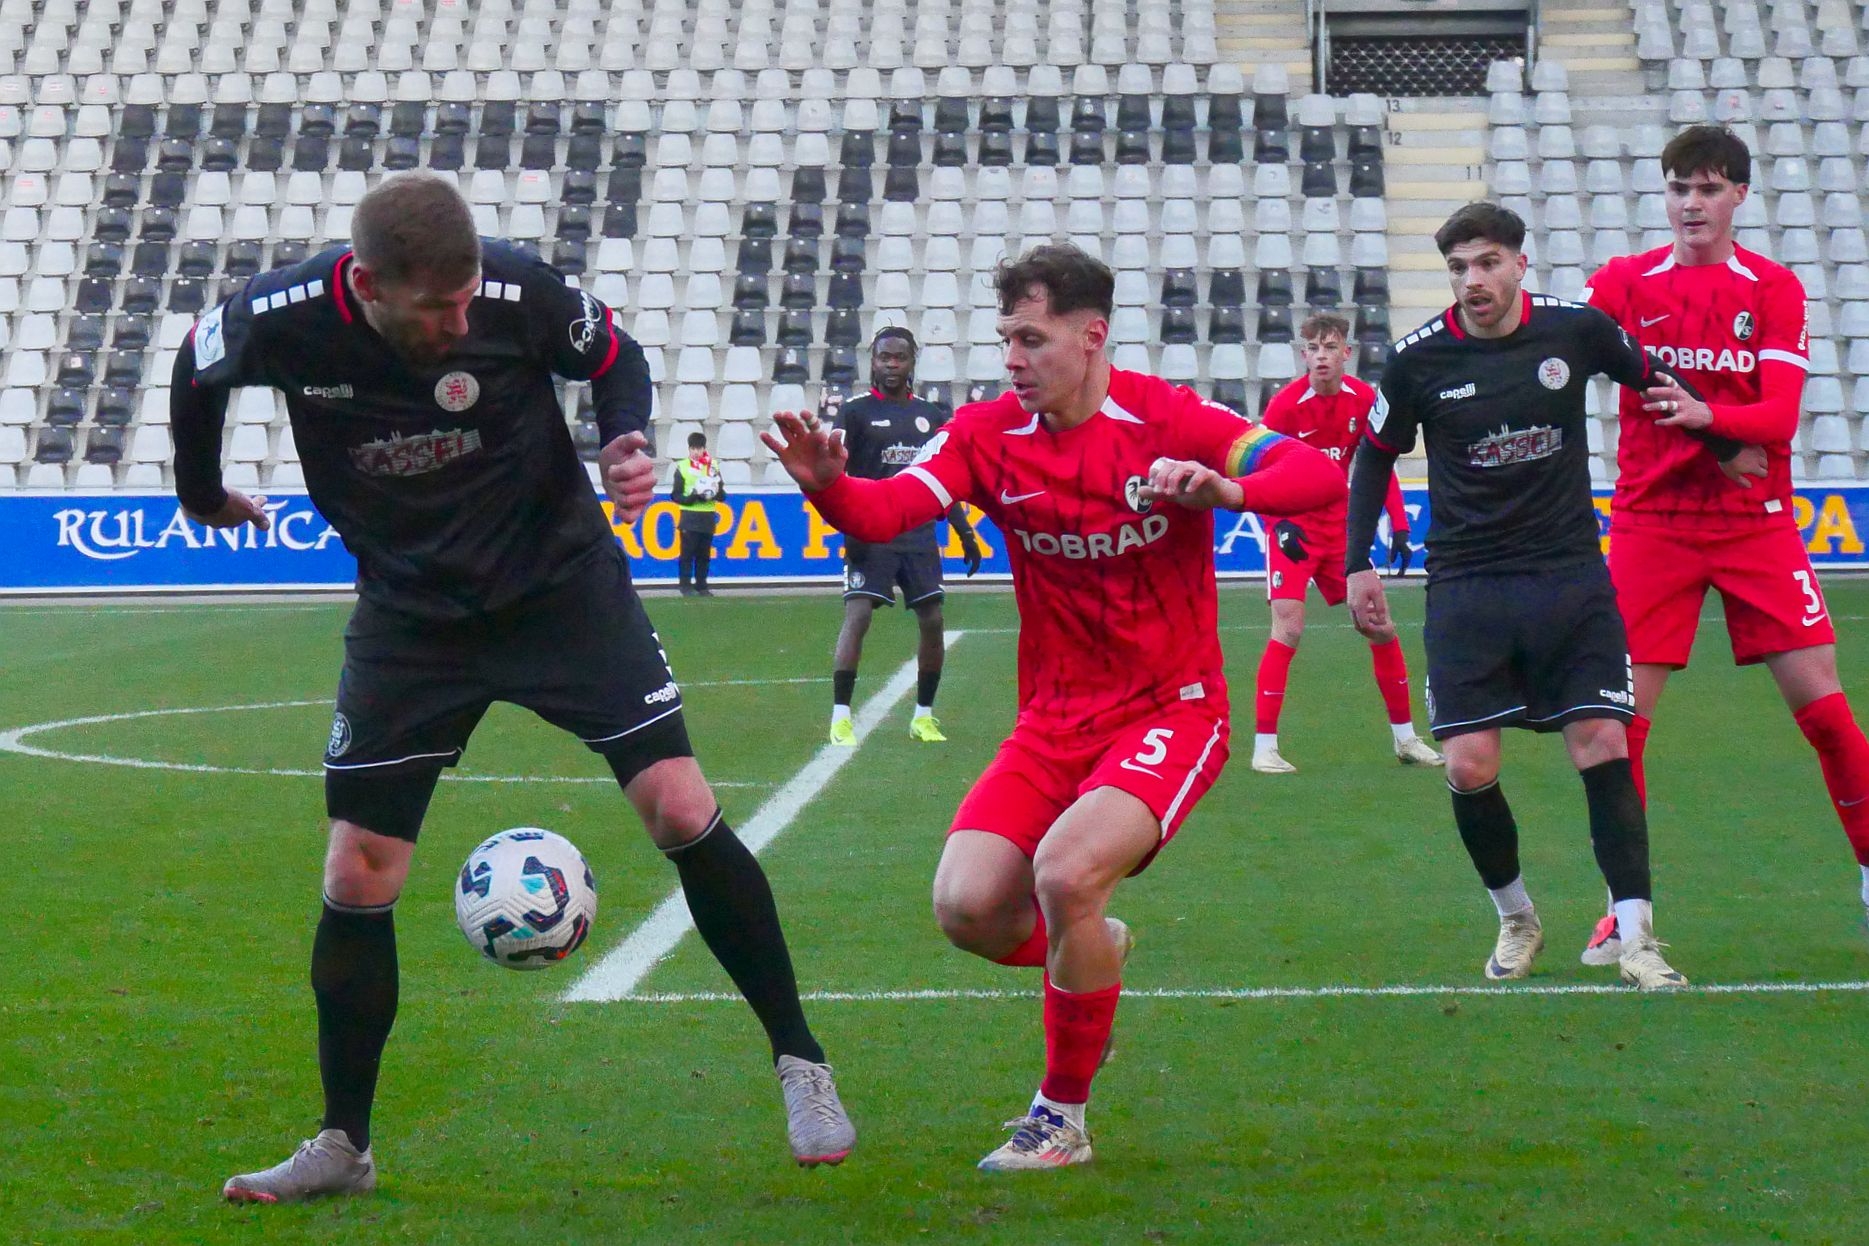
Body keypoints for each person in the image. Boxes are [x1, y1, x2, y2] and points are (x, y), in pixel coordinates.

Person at [171, 174, 854, 1204]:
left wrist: (624, 436)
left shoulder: (515, 290)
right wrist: (199, 491)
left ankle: (801, 1061)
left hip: (558, 588)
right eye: (435, 309)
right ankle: (343, 1145)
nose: (458, 323)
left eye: (466, 302)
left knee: (678, 804)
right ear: (368, 285)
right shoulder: (281, 314)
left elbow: (616, 353)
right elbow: (196, 365)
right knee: (358, 867)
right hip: (411, 616)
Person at [763, 244, 1341, 1169]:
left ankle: (1060, 1117)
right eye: (1006, 339)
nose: (1012, 359)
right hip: (1052, 719)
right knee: (965, 908)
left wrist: (1228, 490)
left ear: (1091, 335)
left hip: (1171, 710)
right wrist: (828, 485)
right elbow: (884, 512)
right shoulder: (986, 433)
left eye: (1031, 339)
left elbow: (1315, 477)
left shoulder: (1168, 417)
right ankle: (1093, 958)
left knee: (1065, 875)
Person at [1344, 202, 1699, 991]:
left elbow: (1655, 383)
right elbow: (1371, 456)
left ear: (1518, 264)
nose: (1472, 280)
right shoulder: (1416, 360)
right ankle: (1516, 918)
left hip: (1567, 575)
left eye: (1486, 263)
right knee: (1468, 765)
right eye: (1458, 268)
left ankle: (1636, 936)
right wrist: (1355, 563)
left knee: (1602, 742)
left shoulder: (1576, 330)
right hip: (1467, 584)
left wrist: (1726, 440)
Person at [1584, 123, 1869, 954]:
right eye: (1678, 187)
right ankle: (1625, 910)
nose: (1690, 203)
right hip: (1651, 524)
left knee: (1824, 712)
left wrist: (1706, 417)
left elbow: (1777, 418)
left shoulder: (1772, 288)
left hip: (1754, 523)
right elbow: (1560, 351)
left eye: (1707, 188)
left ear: (1738, 195)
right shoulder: (1623, 282)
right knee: (1618, 729)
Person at [1249, 311, 1444, 775]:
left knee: (1379, 625)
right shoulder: (1284, 407)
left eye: (1331, 347)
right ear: (1303, 355)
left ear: (1347, 353)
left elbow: (1380, 463)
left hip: (1340, 531)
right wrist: (1277, 523)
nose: (1322, 356)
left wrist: (1400, 525)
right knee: (1288, 627)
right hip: (1295, 529)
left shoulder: (1364, 400)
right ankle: (1264, 747)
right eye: (1313, 348)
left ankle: (1406, 739)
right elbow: (1255, 470)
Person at [827, 328, 983, 745]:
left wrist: (964, 532)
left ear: (912, 361)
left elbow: (944, 479)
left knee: (933, 620)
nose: (891, 364)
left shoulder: (931, 416)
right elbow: (834, 472)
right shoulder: (855, 412)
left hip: (918, 532)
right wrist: (847, 521)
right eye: (884, 357)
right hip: (871, 530)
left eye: (899, 357)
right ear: (873, 361)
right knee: (859, 615)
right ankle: (840, 717)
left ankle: (923, 717)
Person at [671, 430, 725, 596]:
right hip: (689, 516)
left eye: (699, 448)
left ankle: (702, 586)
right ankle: (685, 586)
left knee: (704, 555)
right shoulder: (682, 467)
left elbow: (723, 495)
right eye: (693, 448)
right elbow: (675, 495)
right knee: (687, 554)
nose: (696, 452)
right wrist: (694, 496)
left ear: (704, 449)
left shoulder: (712, 466)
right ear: (689, 449)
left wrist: (712, 494)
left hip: (707, 517)